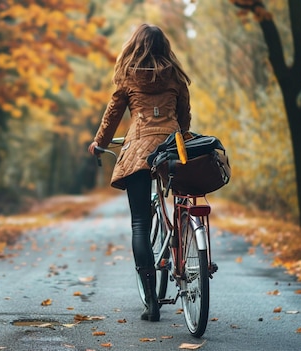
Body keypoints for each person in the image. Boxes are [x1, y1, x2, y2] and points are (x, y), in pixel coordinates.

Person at [88, 24, 191, 322]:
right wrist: (182, 135)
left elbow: (113, 115)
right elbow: (184, 114)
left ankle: (151, 303)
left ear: (135, 46)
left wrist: (100, 143)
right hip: (173, 149)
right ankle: (183, 240)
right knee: (182, 200)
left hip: (139, 152)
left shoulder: (128, 76)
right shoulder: (174, 75)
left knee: (139, 225)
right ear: (164, 46)